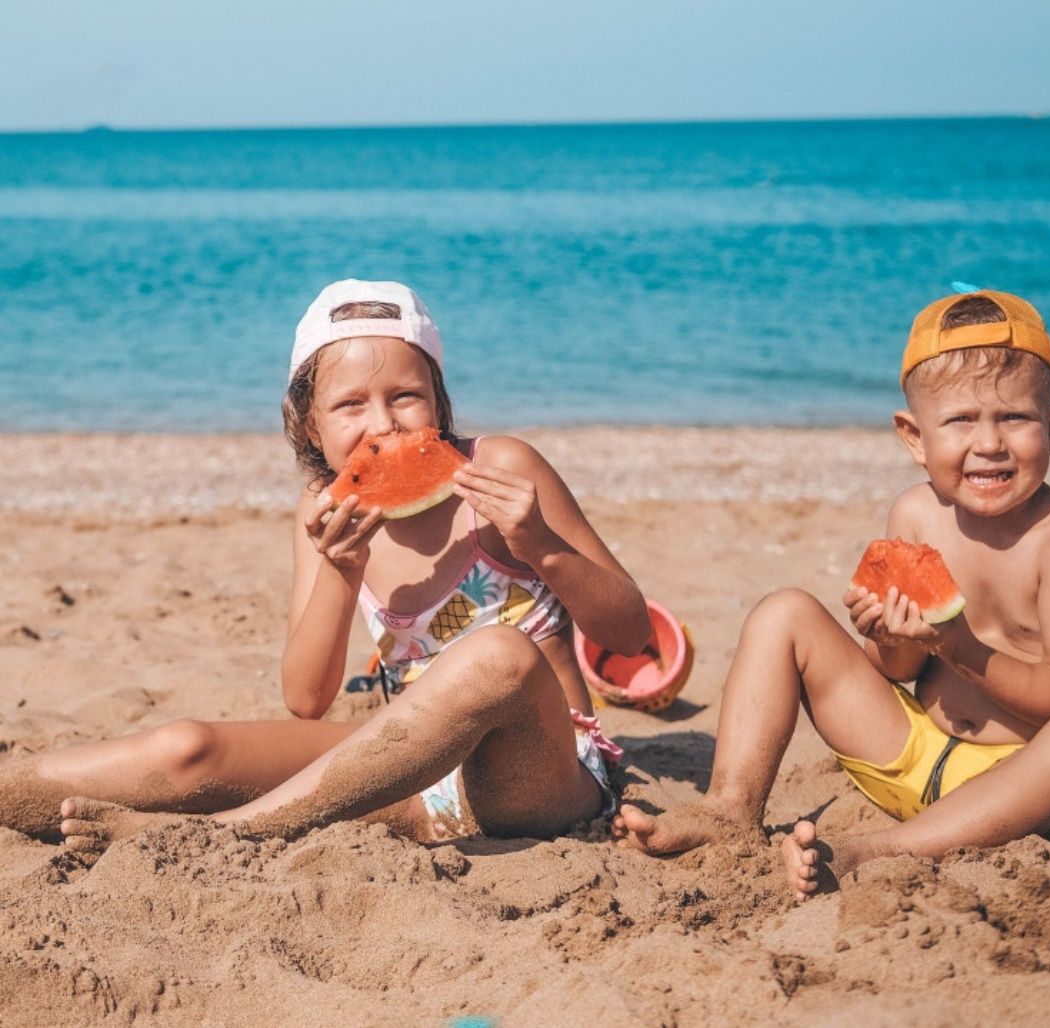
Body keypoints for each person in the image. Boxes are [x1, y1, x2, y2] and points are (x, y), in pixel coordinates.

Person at [1, 279, 650, 857]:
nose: (384, 423)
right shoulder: (324, 510)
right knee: (186, 748)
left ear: (439, 401)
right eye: (350, 405)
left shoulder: (502, 468)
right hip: (413, 770)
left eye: (406, 396)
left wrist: (542, 545)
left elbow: (630, 634)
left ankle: (225, 837)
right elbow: (307, 699)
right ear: (309, 426)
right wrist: (341, 570)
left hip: (544, 773)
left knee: (498, 655)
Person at [612, 289, 1050, 900]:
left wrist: (960, 647)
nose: (989, 443)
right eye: (961, 420)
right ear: (914, 437)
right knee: (784, 613)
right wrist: (885, 639)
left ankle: (870, 853)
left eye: (1014, 418)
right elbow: (899, 672)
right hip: (910, 761)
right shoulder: (914, 513)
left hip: (1024, 792)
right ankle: (729, 809)